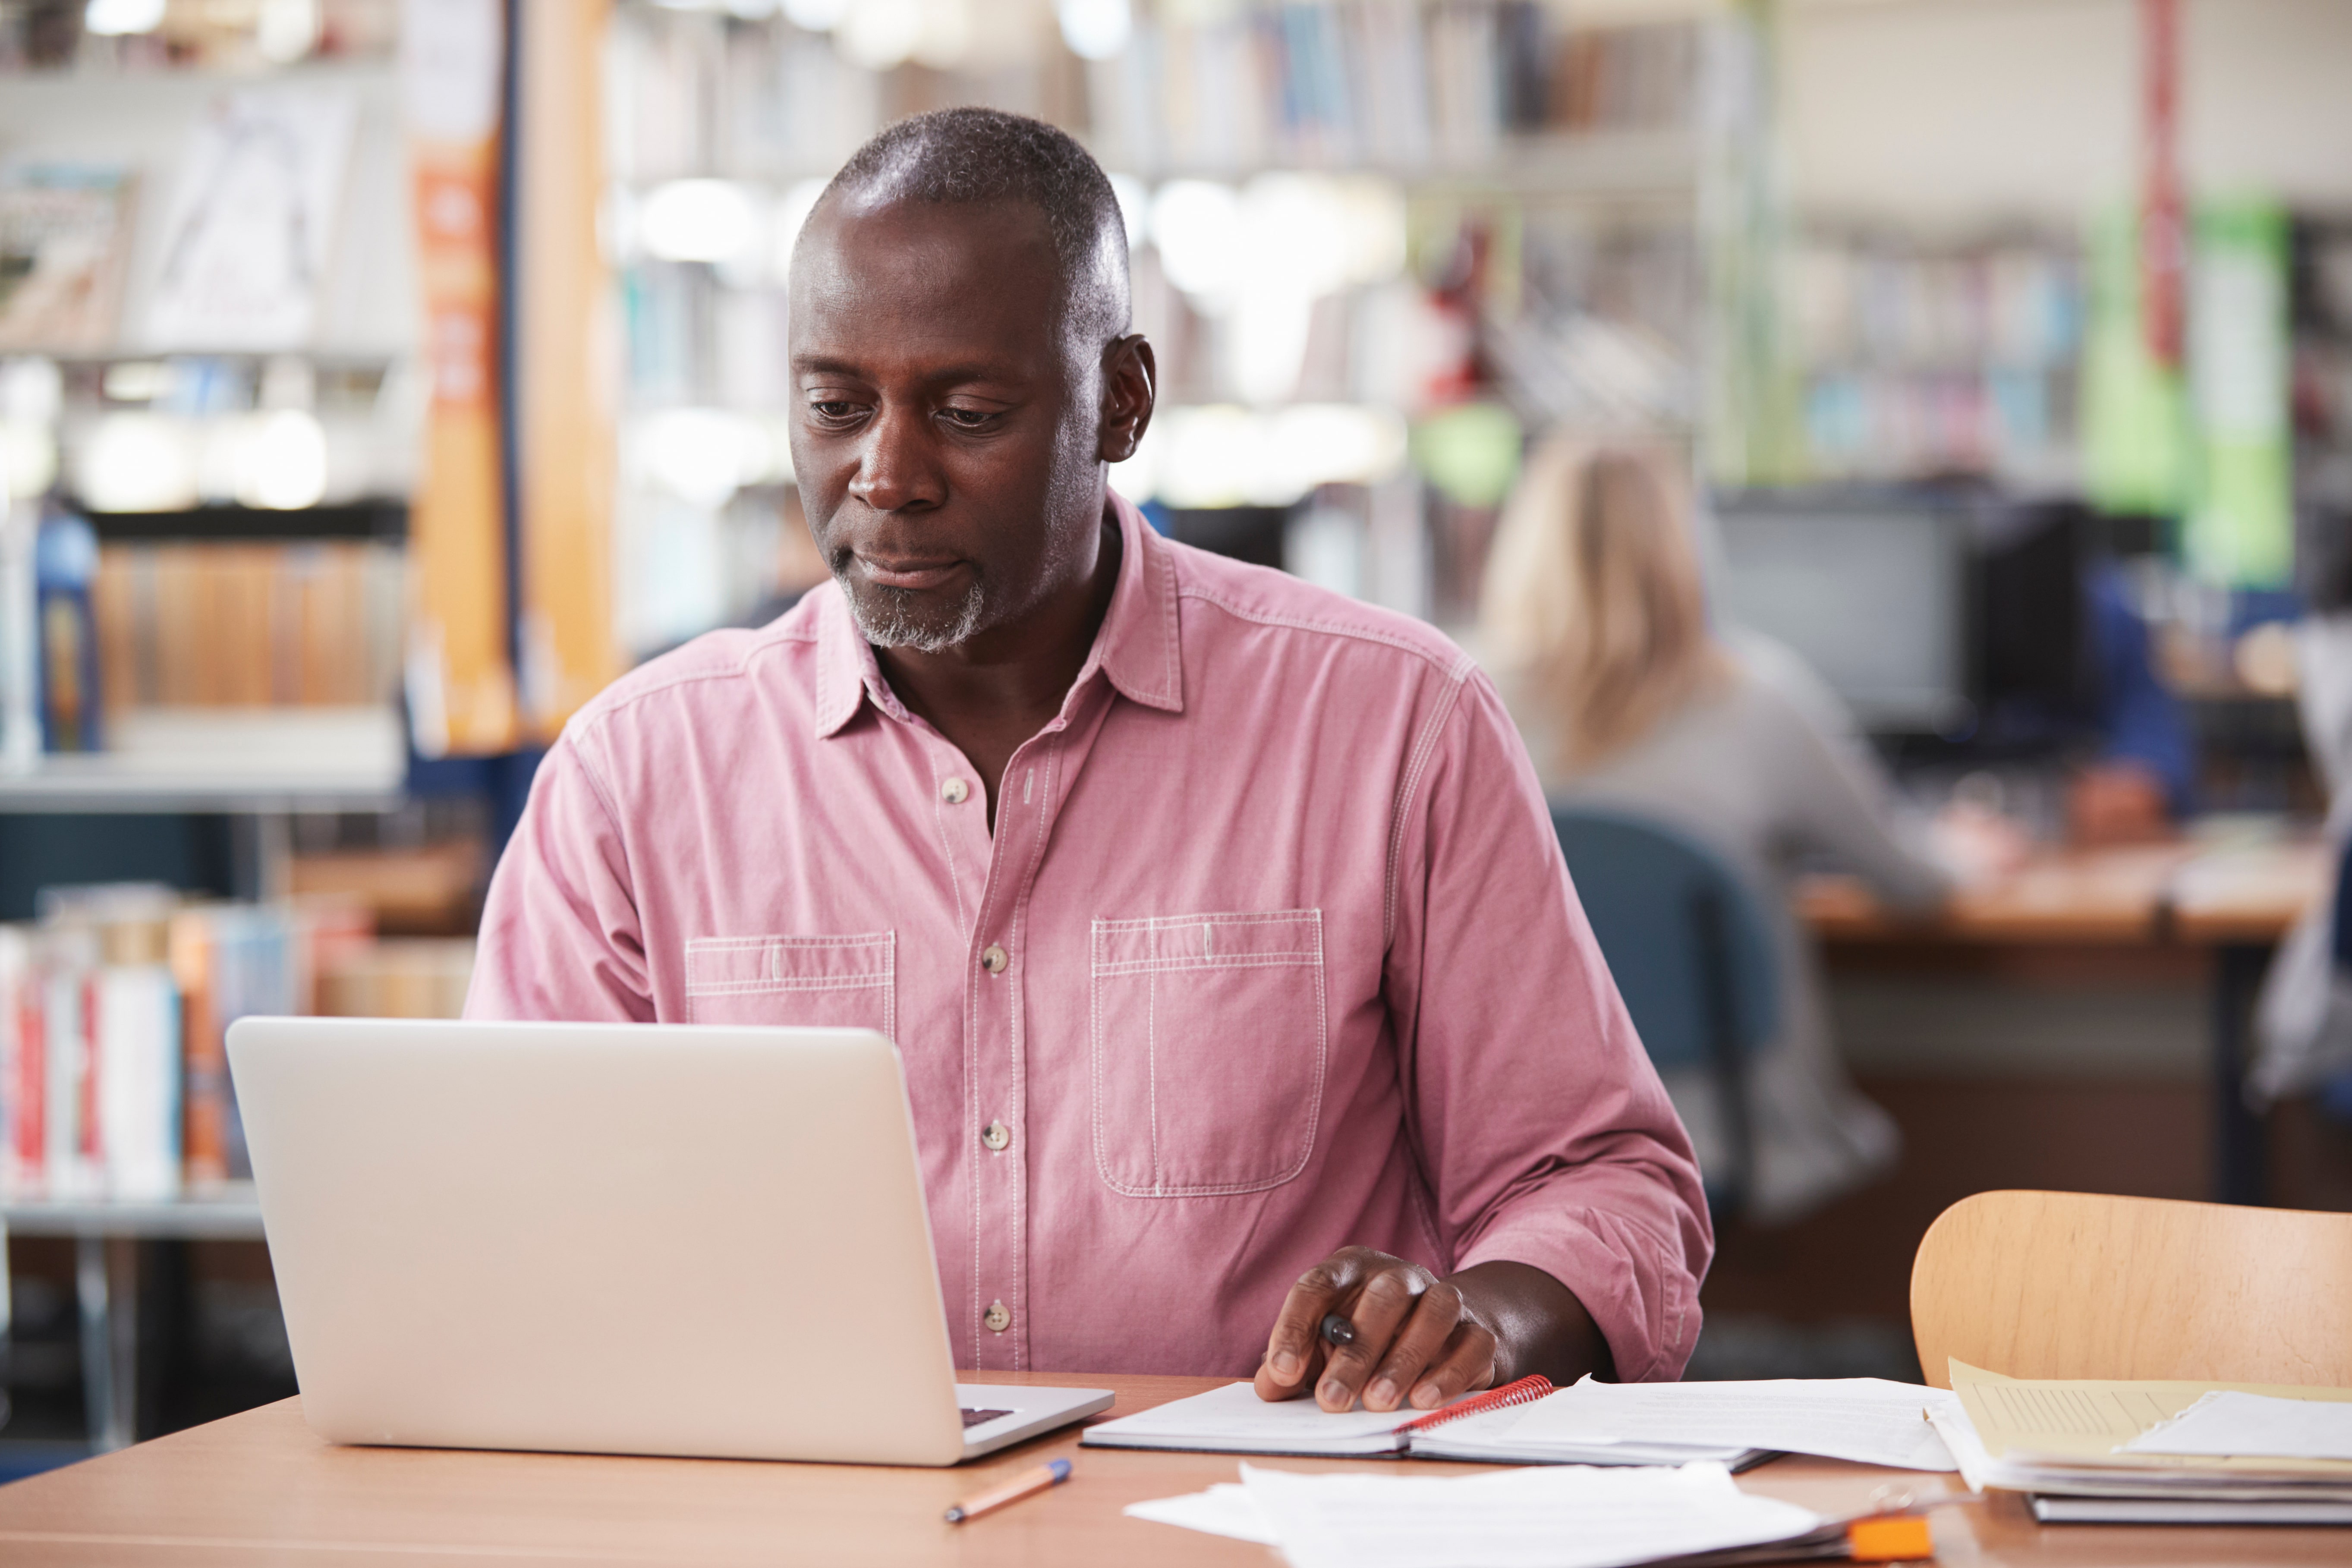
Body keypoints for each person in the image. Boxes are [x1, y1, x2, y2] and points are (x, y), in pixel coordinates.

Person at [466, 109, 1708, 1409]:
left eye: (966, 411)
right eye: (835, 405)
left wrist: (1482, 1321)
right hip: (803, 1521)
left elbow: (1602, 1182)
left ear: (1120, 401)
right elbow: (505, 1224)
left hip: (1254, 1521)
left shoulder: (1393, 724)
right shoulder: (636, 774)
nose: (884, 477)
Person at [1480, 438, 1964, 1224]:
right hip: (1734, 1130)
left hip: (1529, 1140)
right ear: (1684, 546)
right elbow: (1919, 885)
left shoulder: (1467, 709)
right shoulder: (1761, 699)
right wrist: (1975, 842)